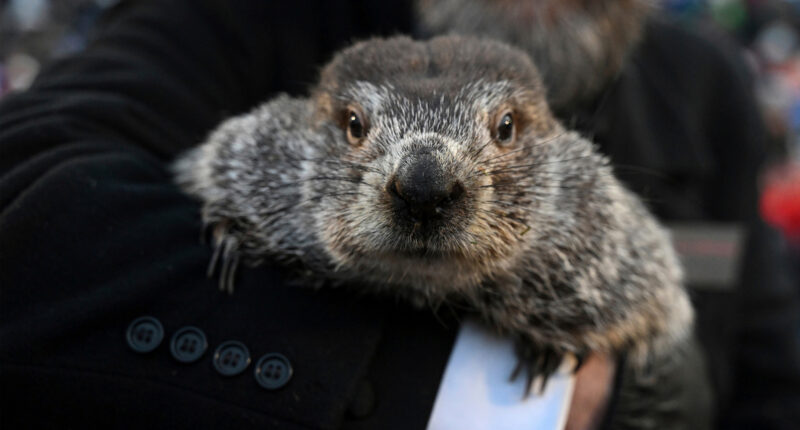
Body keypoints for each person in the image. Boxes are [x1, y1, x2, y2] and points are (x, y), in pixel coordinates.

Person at [1, 0, 798, 428]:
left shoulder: (706, 85)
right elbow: (29, 190)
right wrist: (471, 396)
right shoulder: (246, 18)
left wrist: (631, 392)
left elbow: (765, 369)